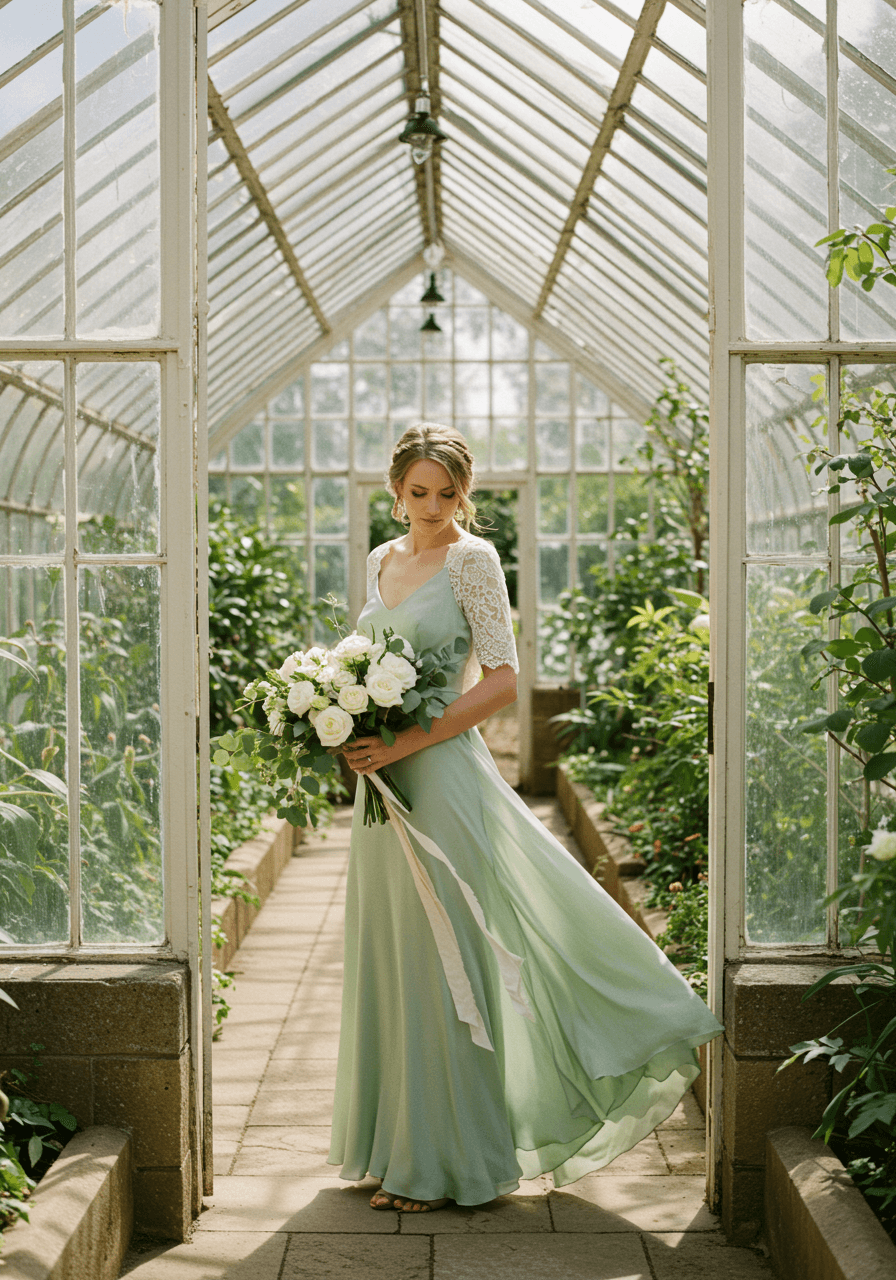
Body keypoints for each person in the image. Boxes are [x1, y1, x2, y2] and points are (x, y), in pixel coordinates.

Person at [331, 422, 723, 1213]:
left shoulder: (474, 560)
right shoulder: (380, 559)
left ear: (464, 493)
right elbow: (359, 664)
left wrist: (406, 735)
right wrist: (342, 723)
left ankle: (448, 1163)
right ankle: (394, 1144)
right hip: (379, 787)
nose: (434, 507)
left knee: (452, 955)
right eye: (419, 493)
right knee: (393, 952)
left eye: (447, 494)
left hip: (441, 777)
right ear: (395, 489)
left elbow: (503, 679)